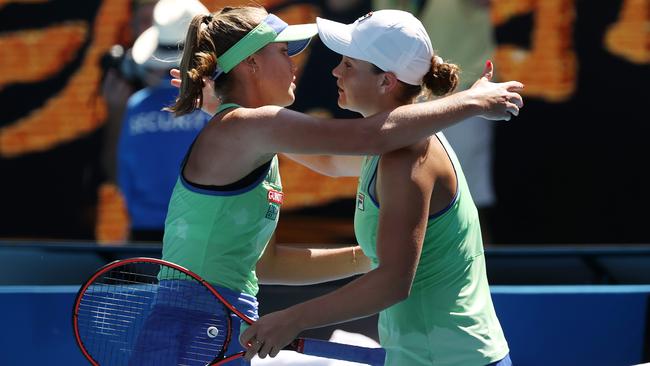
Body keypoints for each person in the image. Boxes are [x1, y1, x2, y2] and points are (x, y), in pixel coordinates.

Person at [160, 5, 521, 365]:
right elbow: (366, 139)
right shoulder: (247, 129)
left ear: (386, 80)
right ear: (250, 64)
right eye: (284, 52)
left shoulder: (399, 152)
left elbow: (341, 158)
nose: (329, 69)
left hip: (452, 357)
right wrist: (471, 102)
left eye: (348, 64)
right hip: (197, 330)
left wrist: (297, 316)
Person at [374, 0, 499, 245]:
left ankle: (482, 275)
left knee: (467, 200)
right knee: (401, 198)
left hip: (464, 97)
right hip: (405, 101)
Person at [116, 0, 211, 242]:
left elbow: (123, 179)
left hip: (143, 236)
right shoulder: (212, 105)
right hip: (200, 236)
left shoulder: (136, 105)